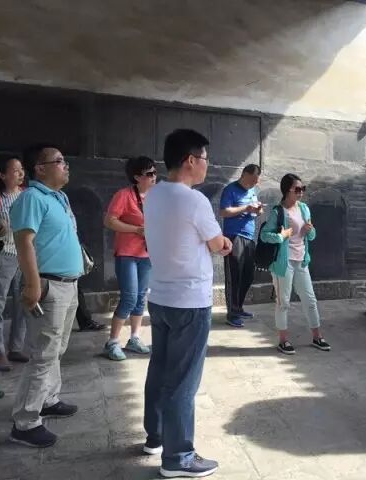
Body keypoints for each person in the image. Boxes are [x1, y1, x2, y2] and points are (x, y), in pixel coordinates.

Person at [142, 129, 232, 478]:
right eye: (206, 158)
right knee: (182, 381)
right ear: (190, 160)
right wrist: (224, 243)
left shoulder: (153, 194)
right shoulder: (194, 201)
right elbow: (216, 243)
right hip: (190, 302)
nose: (208, 164)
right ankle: (178, 457)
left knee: (159, 369)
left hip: (160, 297)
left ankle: (155, 436)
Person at [8, 144, 83, 448]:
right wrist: (32, 284)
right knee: (43, 354)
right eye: (59, 161)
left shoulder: (58, 197)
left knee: (56, 349)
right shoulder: (32, 198)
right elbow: (24, 242)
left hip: (69, 284)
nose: (66, 165)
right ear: (40, 169)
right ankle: (25, 422)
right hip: (48, 285)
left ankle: (48, 399)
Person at [260, 173, 330, 355]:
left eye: (302, 189)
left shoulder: (304, 209)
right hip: (283, 264)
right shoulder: (278, 212)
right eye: (297, 189)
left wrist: (309, 230)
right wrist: (281, 236)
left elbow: (311, 236)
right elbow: (265, 235)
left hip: (302, 261)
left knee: (310, 300)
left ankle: (317, 336)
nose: (301, 192)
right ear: (287, 190)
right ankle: (283, 340)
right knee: (283, 302)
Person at [103, 156, 156, 360]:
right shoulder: (124, 195)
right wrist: (136, 229)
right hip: (127, 253)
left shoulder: (155, 197)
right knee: (130, 297)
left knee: (141, 297)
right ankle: (112, 342)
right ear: (136, 177)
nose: (154, 177)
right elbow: (110, 221)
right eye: (149, 174)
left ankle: (134, 338)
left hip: (147, 253)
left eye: (155, 172)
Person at [219, 164, 262, 328]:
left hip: (249, 237)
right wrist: (246, 208)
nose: (254, 184)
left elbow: (255, 210)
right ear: (244, 175)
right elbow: (223, 212)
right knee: (234, 276)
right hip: (234, 236)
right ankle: (232, 314)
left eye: (256, 181)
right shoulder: (230, 189)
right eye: (252, 180)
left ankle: (239, 307)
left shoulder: (252, 191)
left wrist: (257, 210)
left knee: (248, 275)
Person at [0, 154, 27, 371]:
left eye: (21, 169)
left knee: (23, 303)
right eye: (15, 170)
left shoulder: (27, 196)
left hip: (26, 256)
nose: (20, 173)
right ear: (2, 175)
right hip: (4, 256)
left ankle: (16, 347)